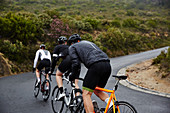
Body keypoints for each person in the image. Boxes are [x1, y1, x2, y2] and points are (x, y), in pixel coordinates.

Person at [68, 34, 112, 113]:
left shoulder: (72, 47)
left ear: (71, 43)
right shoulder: (89, 43)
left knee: (86, 94)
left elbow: (76, 64)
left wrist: (73, 76)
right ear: (79, 40)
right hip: (107, 65)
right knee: (97, 90)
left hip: (96, 65)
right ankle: (112, 106)